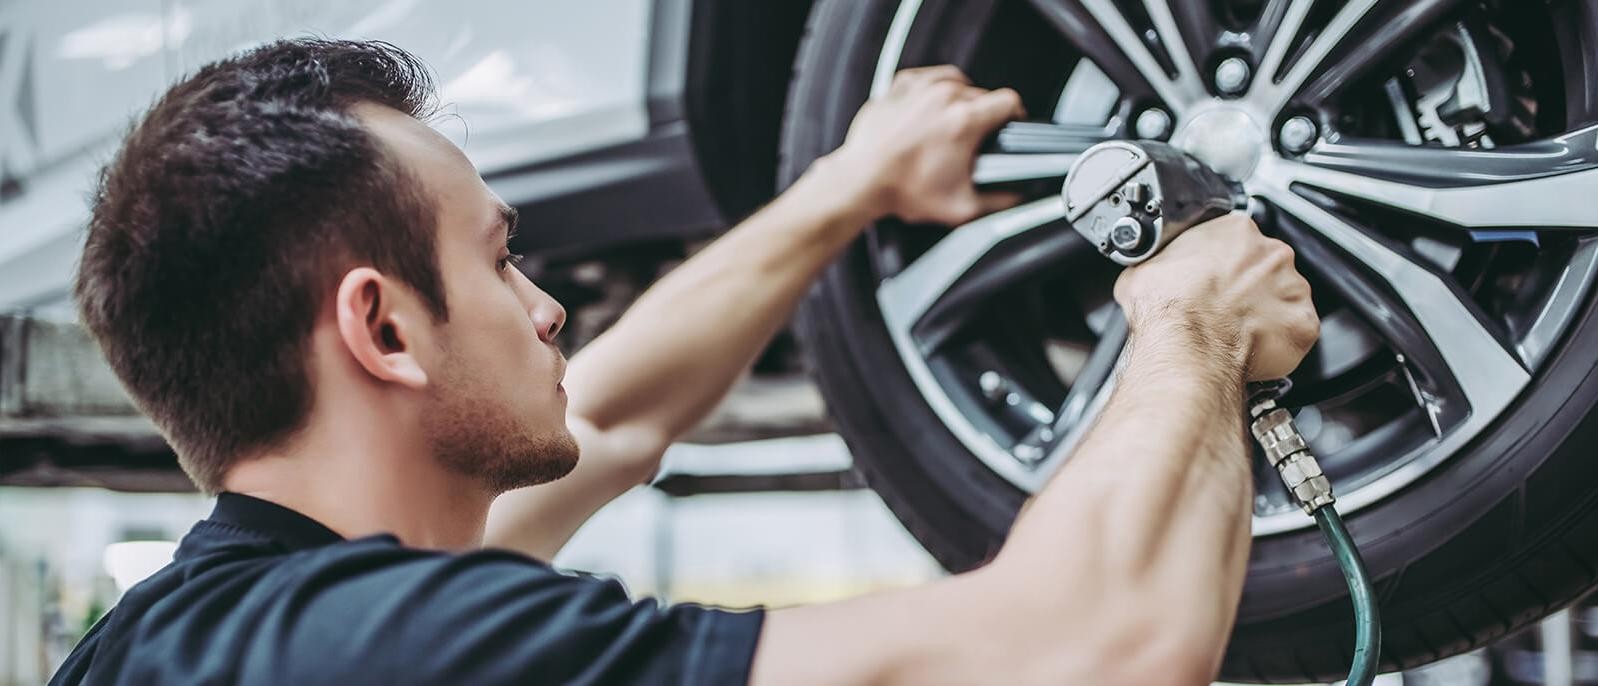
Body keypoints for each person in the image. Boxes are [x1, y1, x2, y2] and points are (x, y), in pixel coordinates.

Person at [53, 38, 1317, 685]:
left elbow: (615, 412)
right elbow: (1088, 645)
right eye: (500, 261)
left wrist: (847, 185)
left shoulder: (222, 629)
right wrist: (1188, 322)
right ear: (383, 330)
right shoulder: (375, 647)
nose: (547, 310)